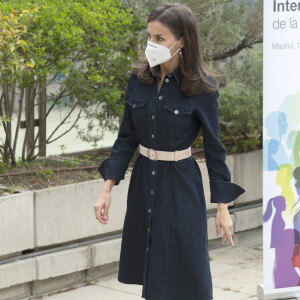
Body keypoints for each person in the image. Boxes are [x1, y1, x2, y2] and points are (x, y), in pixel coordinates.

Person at [94, 3, 245, 300]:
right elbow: (126, 139)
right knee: (151, 267)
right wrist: (106, 188)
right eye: (149, 37)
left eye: (160, 38)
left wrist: (223, 209)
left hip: (180, 185)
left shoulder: (202, 87)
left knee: (186, 272)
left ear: (182, 41)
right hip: (144, 181)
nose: (152, 45)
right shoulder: (138, 80)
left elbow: (215, 150)